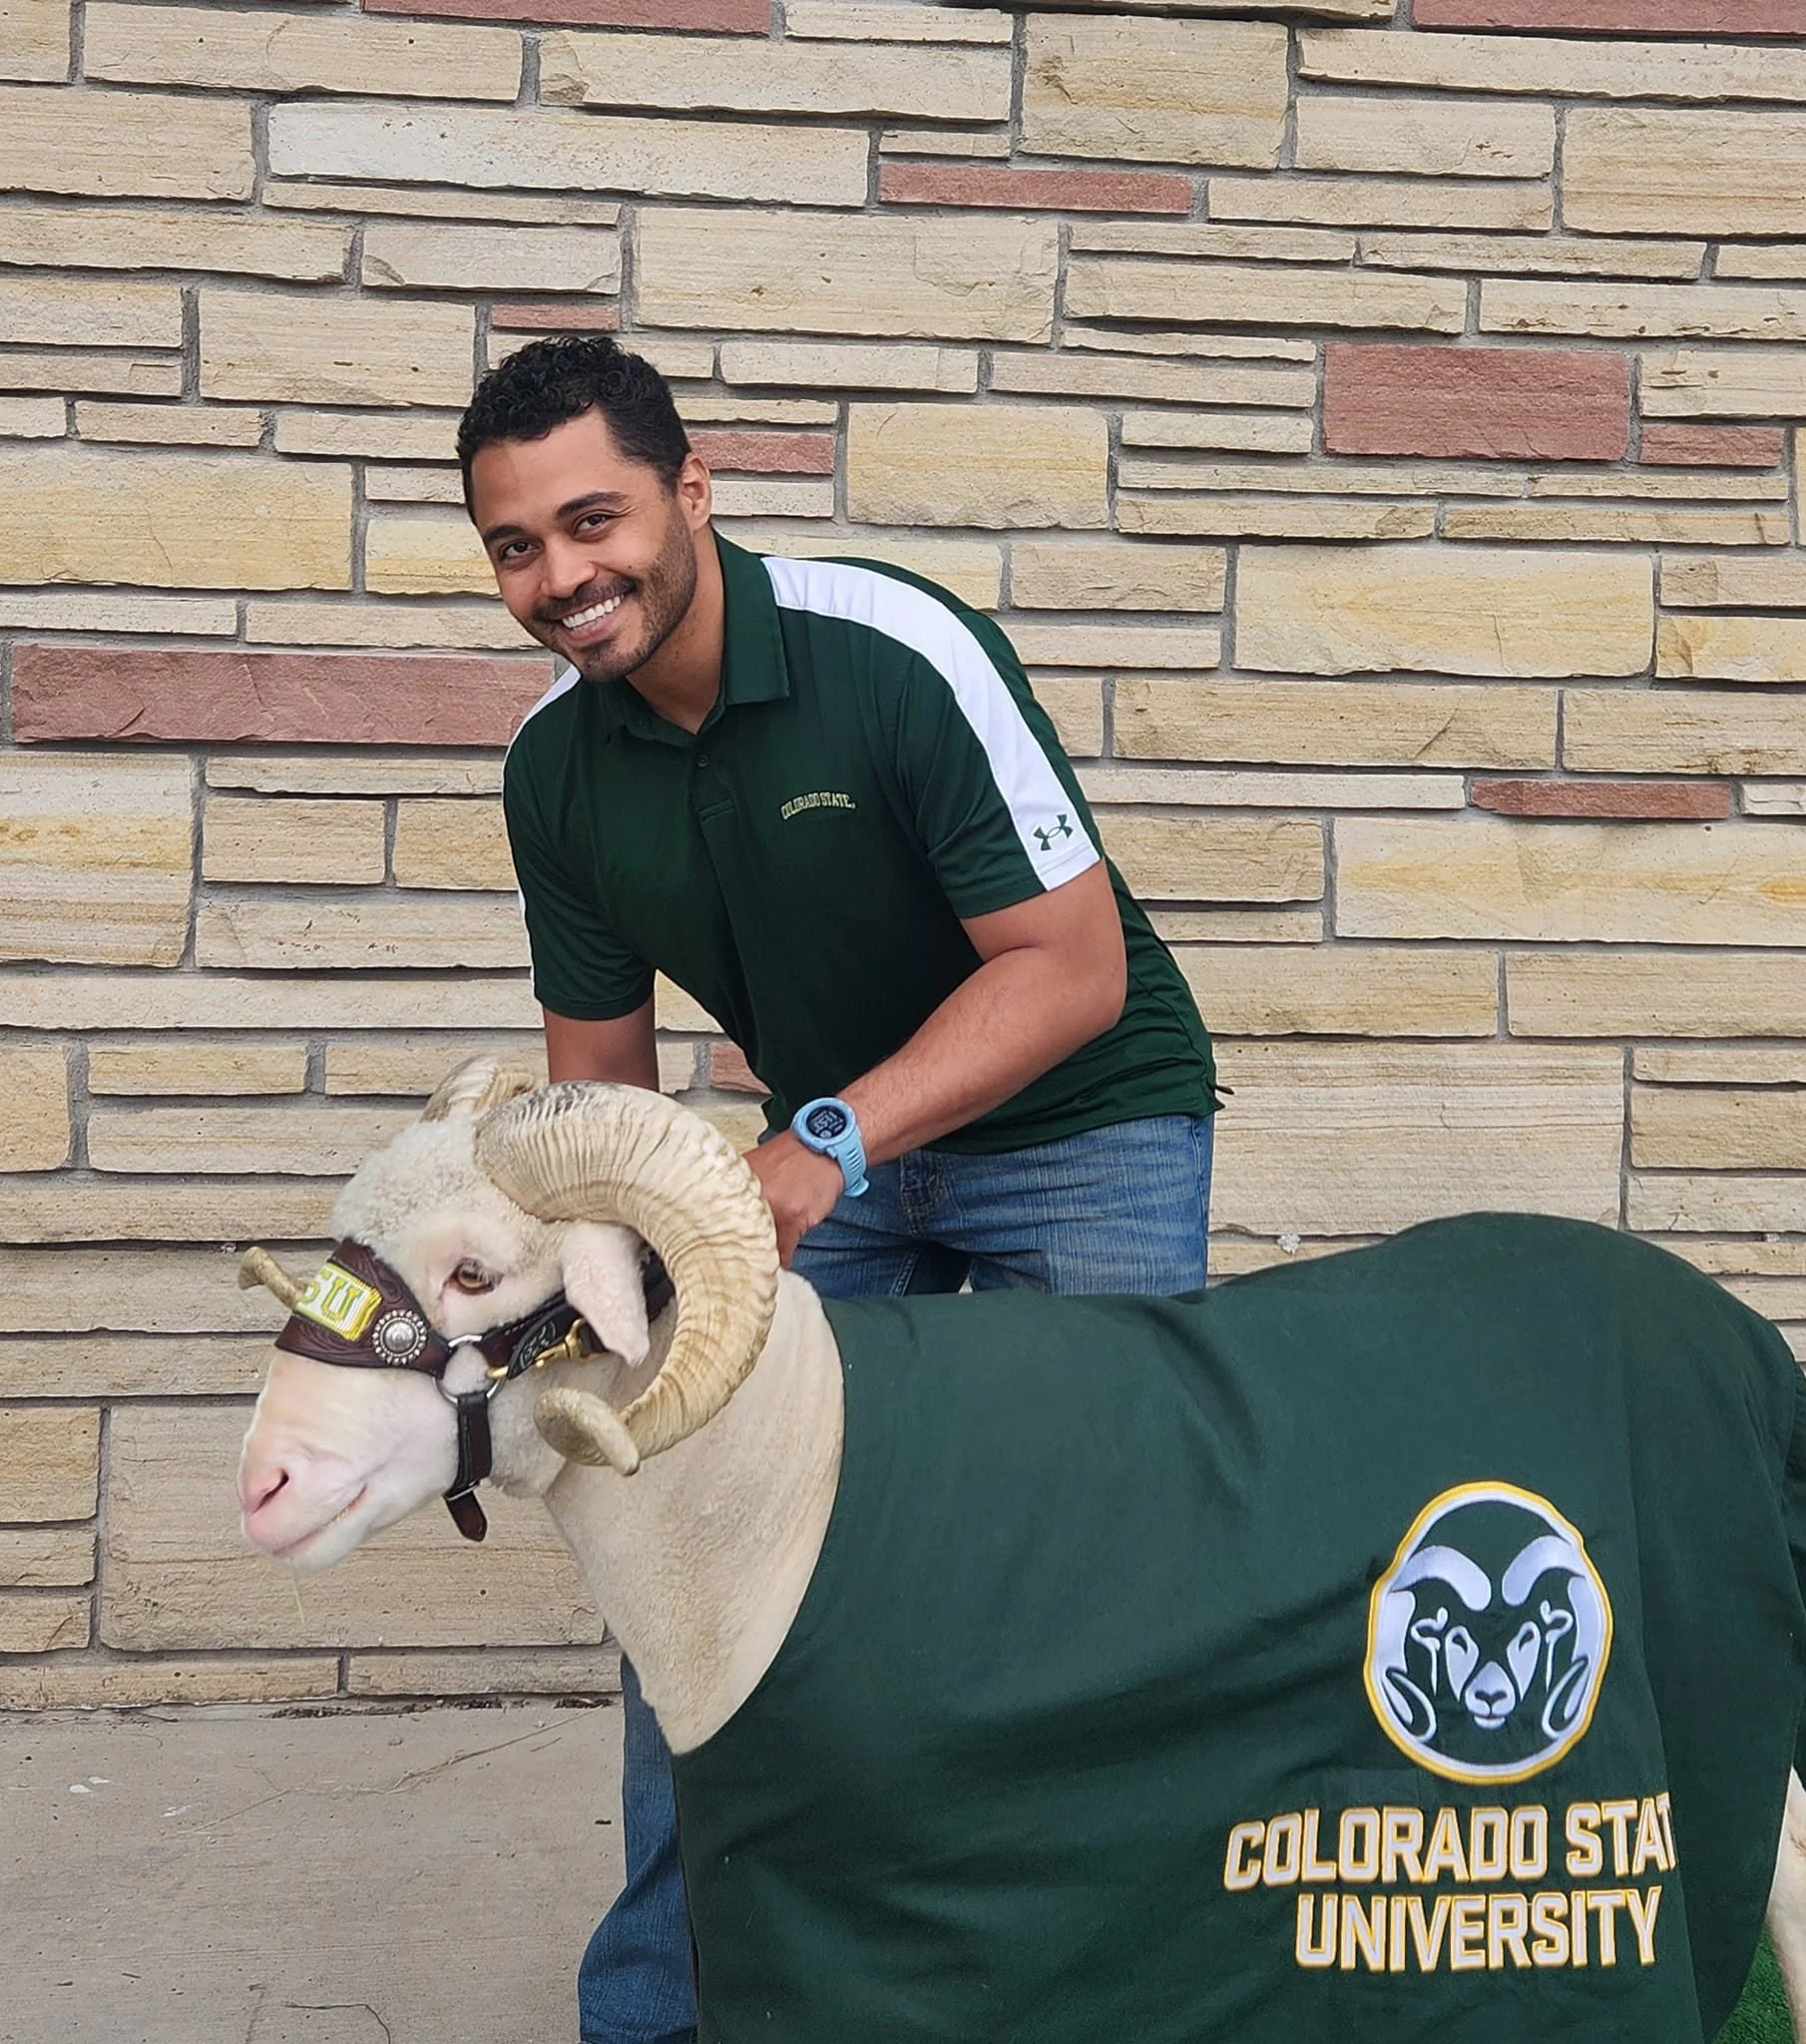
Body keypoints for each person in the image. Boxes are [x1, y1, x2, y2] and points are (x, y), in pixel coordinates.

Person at [456, 335, 1218, 2044]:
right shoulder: (552, 769)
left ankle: (1115, 1985)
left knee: (1095, 1574)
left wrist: (823, 1145)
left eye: (594, 520)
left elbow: (1072, 969)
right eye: (517, 546)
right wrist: (588, 1321)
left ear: (692, 492)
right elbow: (600, 1093)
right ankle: (667, 2009)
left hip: (1080, 1129)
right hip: (832, 1157)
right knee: (695, 1540)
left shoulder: (895, 650)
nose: (562, 576)